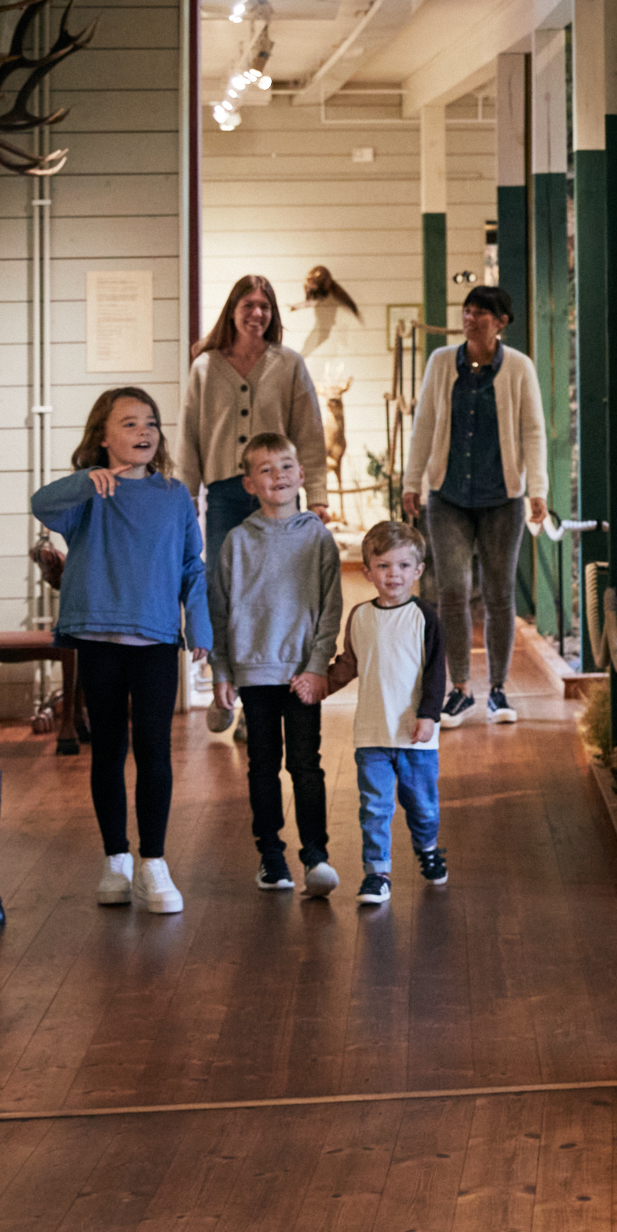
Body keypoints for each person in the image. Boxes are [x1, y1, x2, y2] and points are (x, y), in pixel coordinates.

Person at [31, 386, 212, 915]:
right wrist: (85, 480)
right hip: (95, 635)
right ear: (103, 438)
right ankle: (116, 859)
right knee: (108, 749)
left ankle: (153, 863)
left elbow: (191, 566)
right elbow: (41, 504)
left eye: (151, 423)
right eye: (130, 424)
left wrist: (199, 625)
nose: (145, 432)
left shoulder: (174, 494)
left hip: (155, 638)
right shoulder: (87, 492)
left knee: (155, 749)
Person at [177, 274, 329, 734]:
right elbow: (189, 434)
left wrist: (317, 496)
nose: (257, 313)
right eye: (249, 304)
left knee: (277, 596)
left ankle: (256, 703)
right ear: (232, 310)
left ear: (273, 313)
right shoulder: (205, 367)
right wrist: (183, 497)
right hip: (225, 492)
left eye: (265, 305)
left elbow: (310, 435)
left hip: (281, 495)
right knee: (224, 591)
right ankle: (226, 682)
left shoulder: (289, 364)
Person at [402, 284, 548, 726]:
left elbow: (533, 432)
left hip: (502, 498)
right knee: (452, 590)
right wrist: (412, 480)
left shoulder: (519, 367)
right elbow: (424, 422)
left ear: (501, 321)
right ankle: (460, 687)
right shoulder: (442, 362)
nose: (470, 318)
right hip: (447, 496)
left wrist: (537, 488)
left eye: (481, 313)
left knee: (500, 592)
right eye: (466, 311)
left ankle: (499, 691)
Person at [208, 433, 345, 897]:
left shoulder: (318, 538)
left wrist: (318, 666)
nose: (278, 477)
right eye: (265, 470)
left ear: (301, 475)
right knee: (262, 765)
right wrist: (222, 672)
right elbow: (221, 611)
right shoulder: (236, 542)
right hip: (253, 672)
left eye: (285, 467)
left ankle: (316, 857)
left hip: (301, 675)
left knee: (307, 764)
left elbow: (331, 608)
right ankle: (271, 856)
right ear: (249, 484)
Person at [325, 519, 448, 910]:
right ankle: (377, 873)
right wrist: (319, 686)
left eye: (403, 566)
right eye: (383, 566)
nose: (393, 574)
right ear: (367, 572)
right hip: (372, 736)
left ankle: (427, 847)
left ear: (418, 571)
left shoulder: (425, 617)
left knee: (422, 806)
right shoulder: (360, 616)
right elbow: (349, 663)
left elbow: (436, 671)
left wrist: (429, 715)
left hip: (415, 736)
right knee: (374, 808)